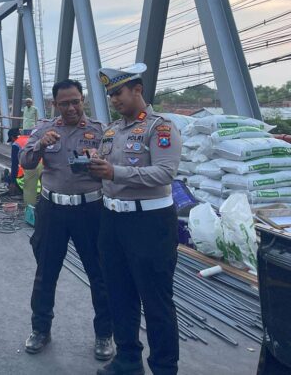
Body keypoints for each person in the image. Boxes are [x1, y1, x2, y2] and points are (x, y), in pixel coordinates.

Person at [88, 63, 182, 375]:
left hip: (150, 223)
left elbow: (165, 172)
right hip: (113, 221)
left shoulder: (160, 127)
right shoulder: (112, 131)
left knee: (156, 302)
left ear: (137, 90)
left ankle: (164, 367)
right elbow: (107, 170)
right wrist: (94, 164)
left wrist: (115, 171)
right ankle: (128, 359)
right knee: (119, 295)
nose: (114, 99)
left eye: (119, 92)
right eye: (110, 95)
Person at [19, 79, 113, 361]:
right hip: (53, 211)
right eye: (64, 103)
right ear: (54, 104)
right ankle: (40, 330)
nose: (71, 108)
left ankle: (104, 334)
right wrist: (39, 146)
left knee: (100, 275)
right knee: (46, 274)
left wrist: (99, 162)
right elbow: (24, 161)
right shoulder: (45, 129)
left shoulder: (99, 131)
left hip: (90, 211)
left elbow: (113, 168)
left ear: (82, 99)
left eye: (76, 101)